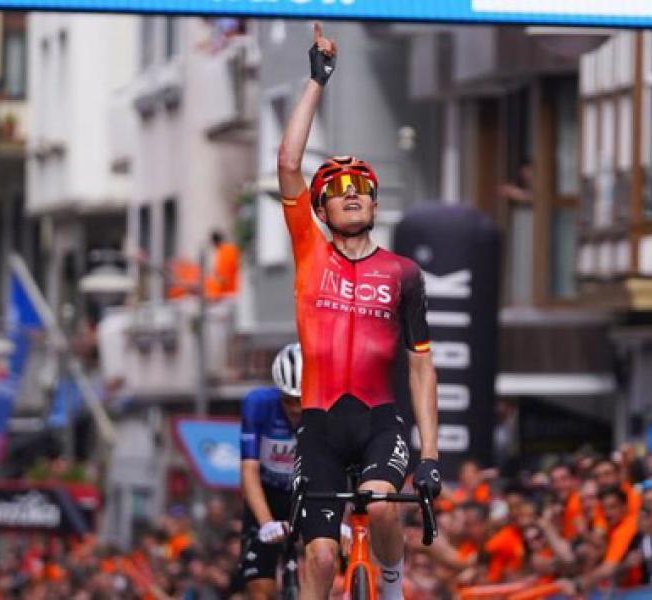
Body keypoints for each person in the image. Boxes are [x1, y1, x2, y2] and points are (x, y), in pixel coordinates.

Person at [276, 22, 441, 600]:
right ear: (320, 208)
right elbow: (288, 161)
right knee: (320, 557)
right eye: (337, 186)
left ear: (374, 203)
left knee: (382, 503)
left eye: (361, 186)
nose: (350, 191)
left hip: (379, 421)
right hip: (320, 424)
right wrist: (316, 82)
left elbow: (422, 367)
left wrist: (432, 454)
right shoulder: (308, 252)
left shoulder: (403, 273)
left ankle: (391, 588)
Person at [235, 344, 303, 600]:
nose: (295, 408)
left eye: (301, 399)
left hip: (308, 495)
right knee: (260, 590)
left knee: (324, 563)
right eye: (288, 400)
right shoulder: (257, 404)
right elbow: (249, 469)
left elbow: (337, 467)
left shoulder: (326, 409)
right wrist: (265, 523)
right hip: (267, 496)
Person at [205, 230, 241, 297]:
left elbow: (223, 279)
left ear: (215, 242)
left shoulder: (223, 253)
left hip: (225, 293)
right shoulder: (233, 249)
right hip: (234, 290)